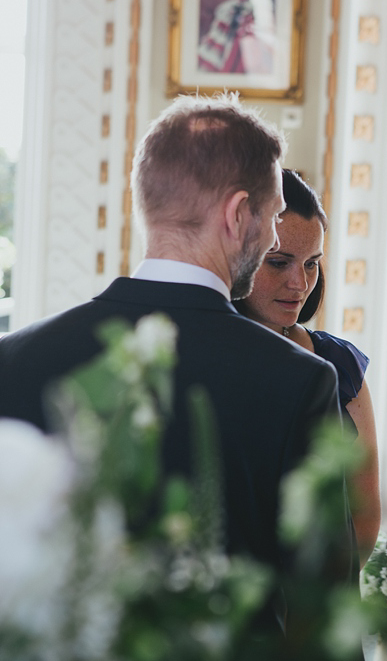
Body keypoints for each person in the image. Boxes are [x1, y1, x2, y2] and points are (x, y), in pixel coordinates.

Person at [0, 95, 347, 579]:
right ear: (238, 214)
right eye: (272, 217)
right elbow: (320, 601)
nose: (272, 237)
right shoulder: (300, 381)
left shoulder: (12, 359)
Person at [237, 169, 381, 566]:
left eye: (312, 264)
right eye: (279, 263)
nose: (299, 283)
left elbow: (365, 520)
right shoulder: (213, 355)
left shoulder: (343, 365)